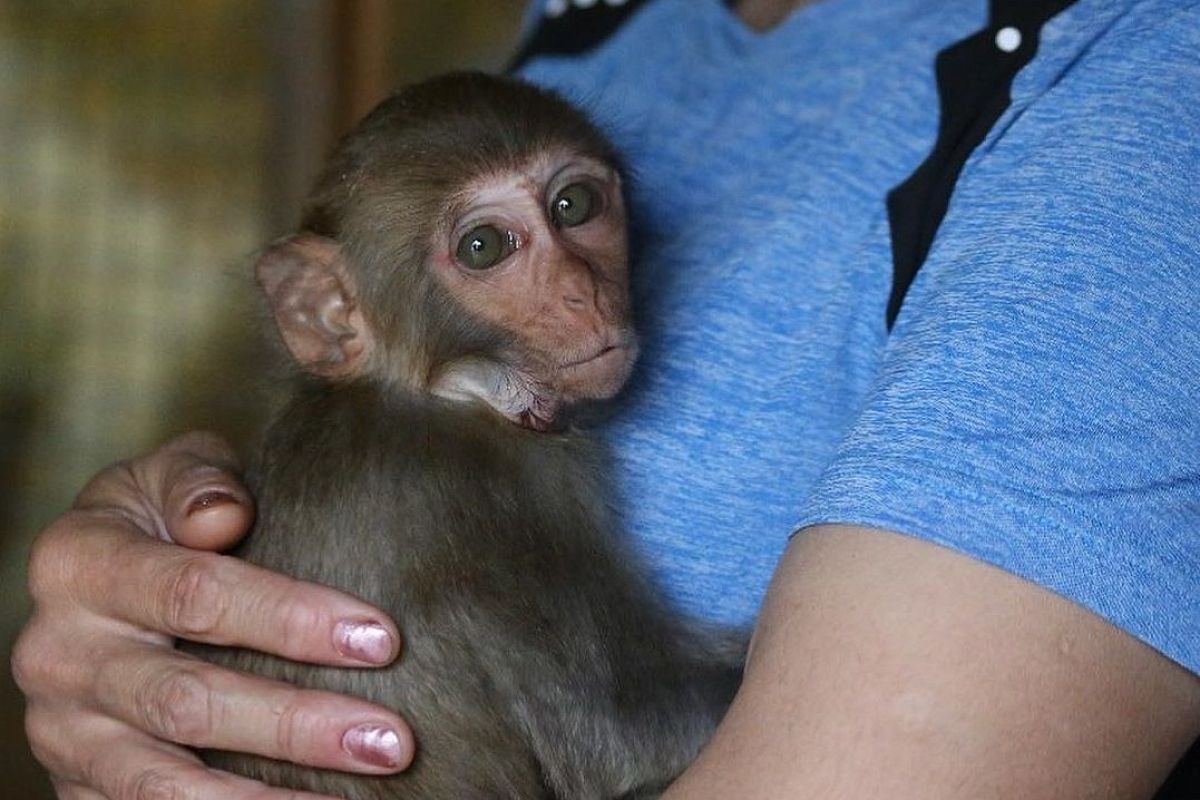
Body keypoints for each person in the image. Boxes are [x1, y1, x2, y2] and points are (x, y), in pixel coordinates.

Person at [14, 0, 1200, 797]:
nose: (581, 296)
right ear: (329, 319)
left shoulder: (1133, 72)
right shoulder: (595, 19)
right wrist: (145, 626)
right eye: (489, 248)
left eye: (579, 209)